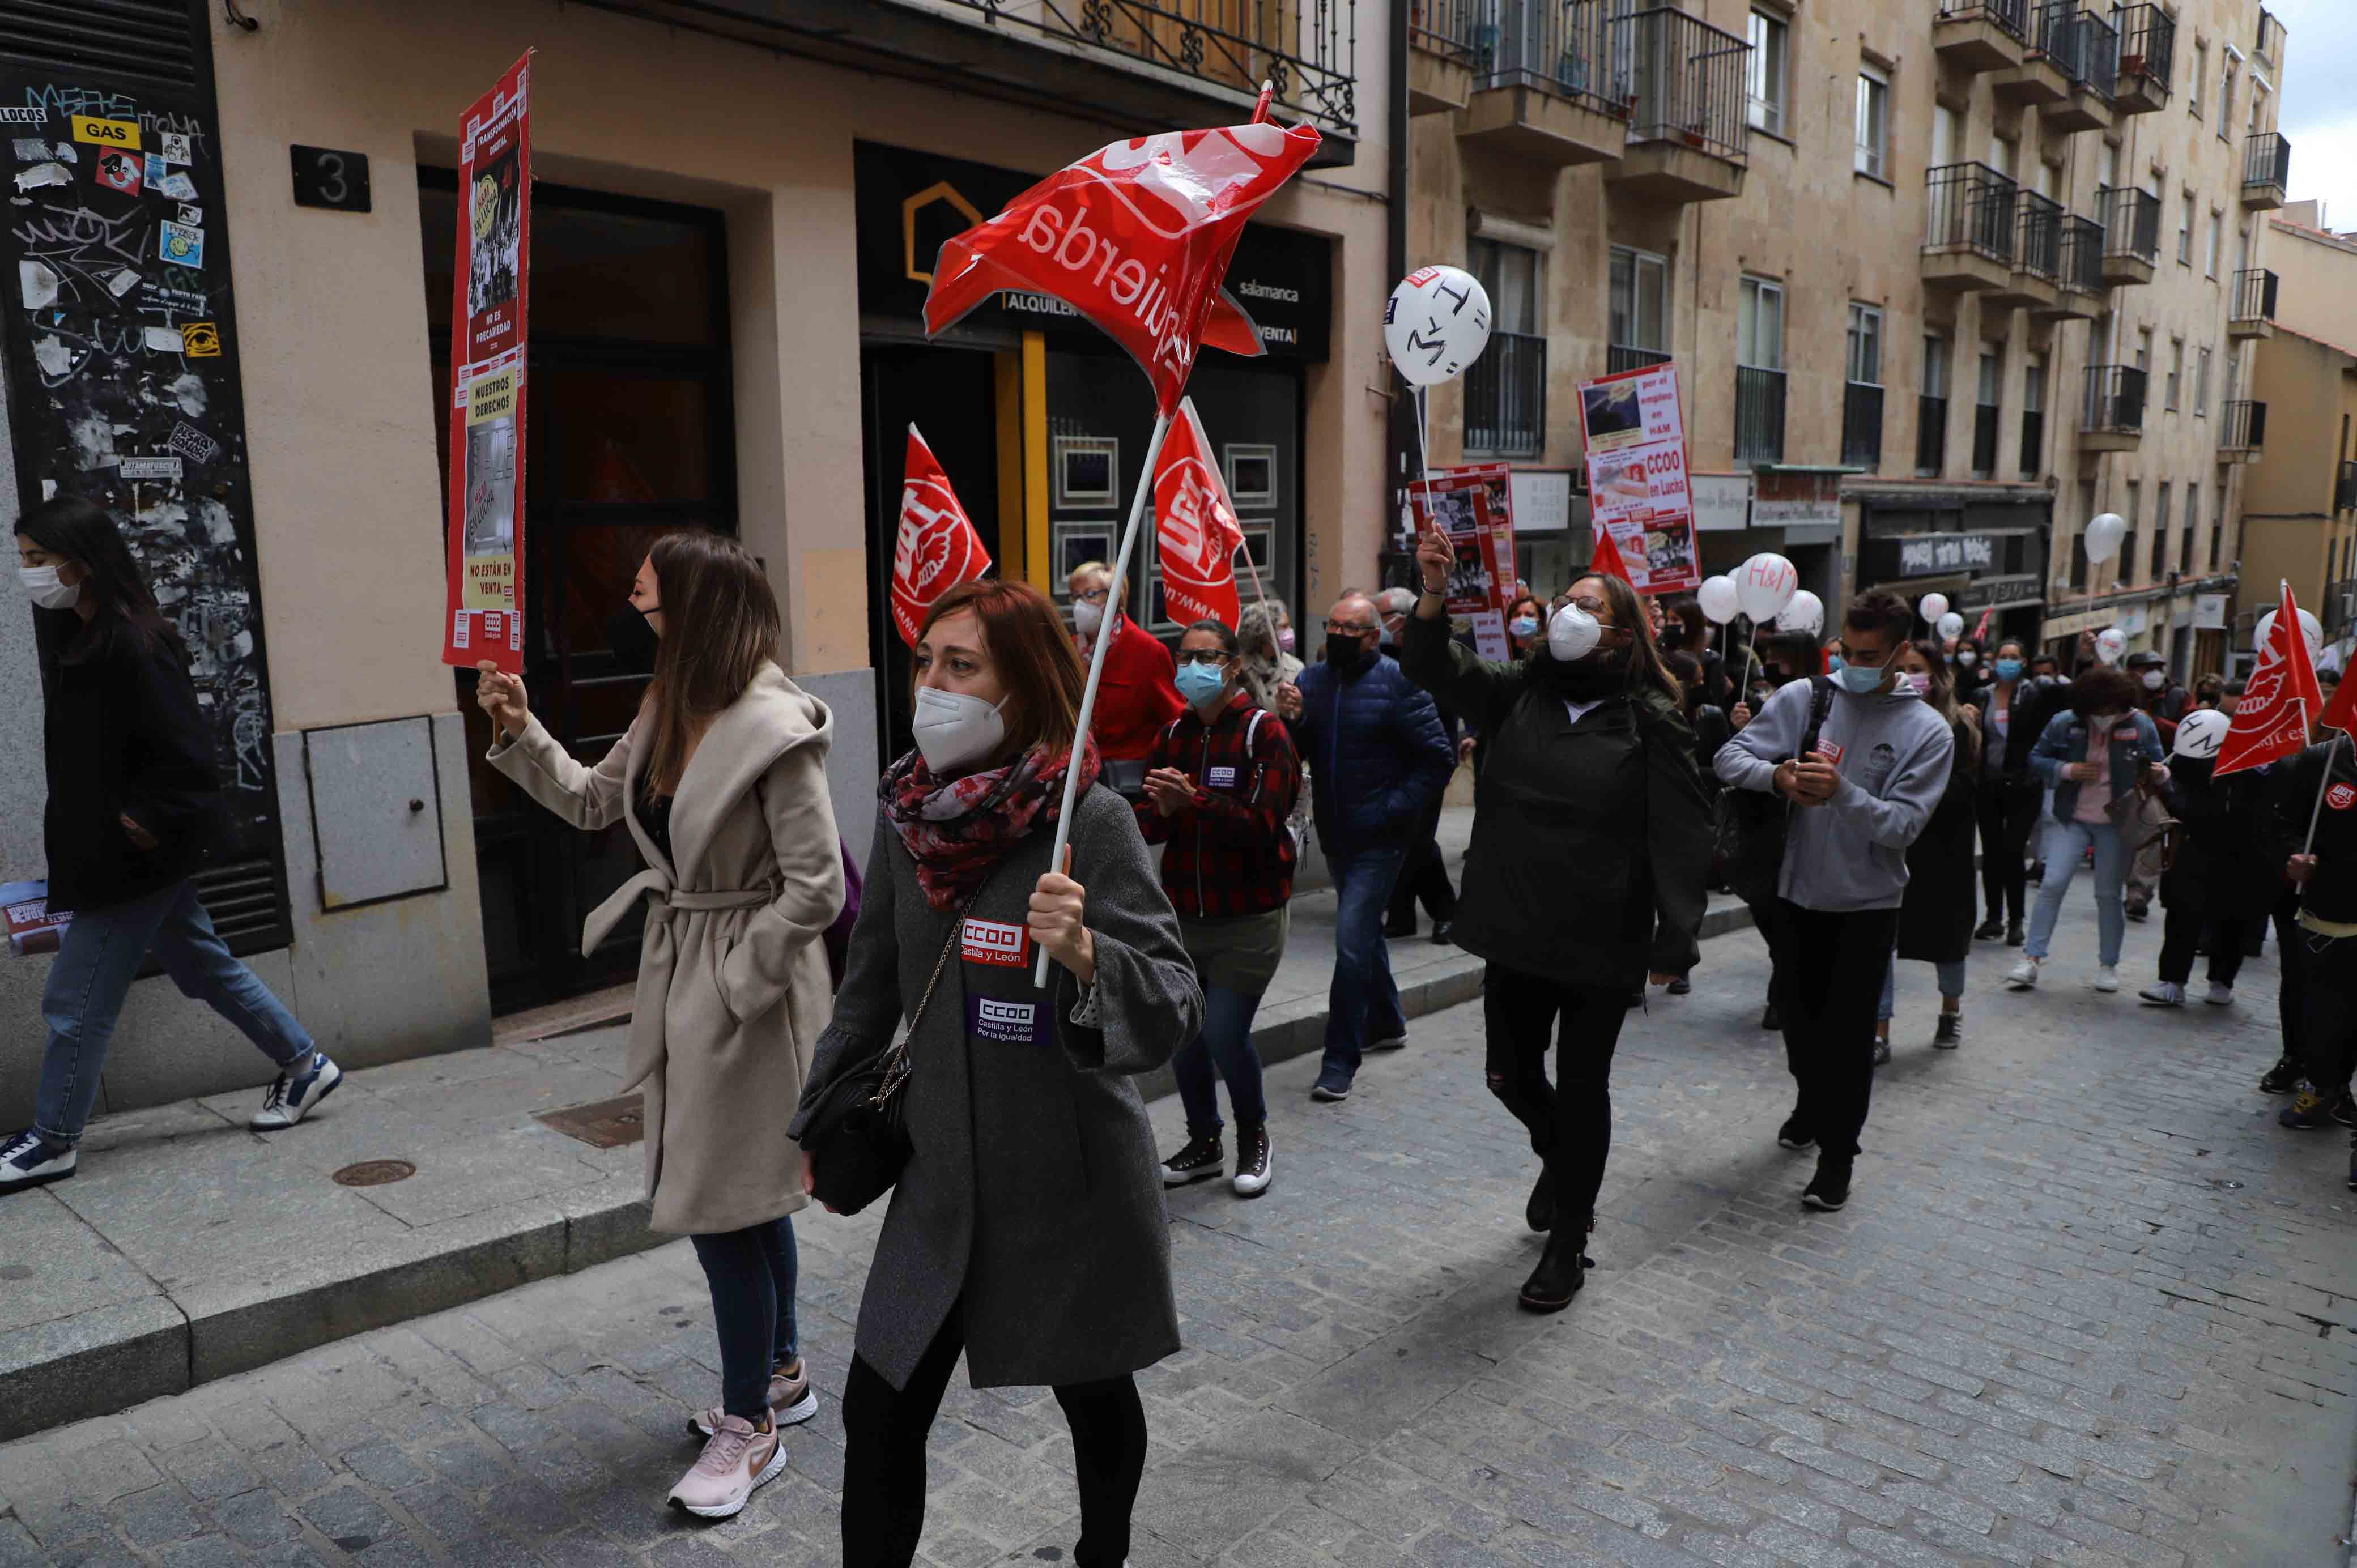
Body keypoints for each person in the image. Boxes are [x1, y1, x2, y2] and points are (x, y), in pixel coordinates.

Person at [790, 577, 1199, 1568]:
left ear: (1021, 687)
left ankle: (1104, 1551)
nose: (931, 683)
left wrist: (1093, 952)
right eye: (926, 661)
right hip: (941, 1177)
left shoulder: (1088, 820)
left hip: (1069, 1180)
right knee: (877, 1408)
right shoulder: (908, 813)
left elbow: (1175, 996)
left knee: (1096, 1394)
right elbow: (872, 978)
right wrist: (814, 1116)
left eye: (960, 665)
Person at [475, 532, 843, 1518]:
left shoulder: (776, 723)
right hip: (689, 971)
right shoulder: (666, 702)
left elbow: (816, 885)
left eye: (643, 600)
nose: (629, 611)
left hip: (746, 1001)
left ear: (692, 609)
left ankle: (749, 1426)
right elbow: (598, 801)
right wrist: (523, 728)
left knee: (720, 1205)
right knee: (747, 1199)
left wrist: (734, 984)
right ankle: (783, 1374)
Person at [1, 499, 337, 1195]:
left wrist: (142, 818)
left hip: (133, 858)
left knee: (75, 997)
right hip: (117, 850)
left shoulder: (131, 640)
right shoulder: (85, 632)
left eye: (38, 558)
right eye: (24, 558)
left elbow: (186, 751)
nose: (29, 573)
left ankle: (54, 1139)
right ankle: (304, 1064)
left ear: (81, 560)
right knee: (202, 966)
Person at [1405, 538, 1708, 1306]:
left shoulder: (1650, 718)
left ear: (1623, 632)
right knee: (1507, 1074)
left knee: (1583, 1088)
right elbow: (1438, 667)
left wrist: (1676, 939)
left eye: (1589, 605)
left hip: (1599, 941)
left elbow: (1680, 832)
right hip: (1513, 924)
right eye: (1565, 601)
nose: (1570, 613)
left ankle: (1569, 1241)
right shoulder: (1518, 692)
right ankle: (1559, 1153)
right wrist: (1434, 593)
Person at [1717, 593, 1954, 1212]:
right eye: (1843, 650)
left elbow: (1901, 826)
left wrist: (1843, 792)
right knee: (1798, 1024)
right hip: (1793, 896)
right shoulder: (1806, 697)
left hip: (1867, 907)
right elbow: (1728, 756)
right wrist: (1778, 777)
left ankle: (1836, 1156)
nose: (1851, 662)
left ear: (1901, 652)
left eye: (1867, 655)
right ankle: (1808, 1103)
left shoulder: (1927, 732)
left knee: (1847, 1038)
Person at [1138, 618, 1301, 1197]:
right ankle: (1203, 1140)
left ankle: (1253, 1134)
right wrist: (1154, 807)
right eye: (1184, 657)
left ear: (1231, 665)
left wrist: (1195, 799)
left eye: (1204, 657)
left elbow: (1261, 825)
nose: (1190, 669)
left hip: (1248, 916)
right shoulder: (1173, 734)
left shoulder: (1265, 734)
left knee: (1225, 1032)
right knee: (1184, 1033)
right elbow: (1152, 823)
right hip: (1183, 913)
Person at [1287, 591, 1455, 1102]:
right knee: (1363, 937)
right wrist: (1291, 722)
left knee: (1351, 942)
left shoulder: (1400, 682)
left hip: (1381, 840)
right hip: (1336, 835)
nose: (1336, 637)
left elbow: (1437, 758)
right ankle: (1387, 1020)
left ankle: (1340, 1059)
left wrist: (1394, 809)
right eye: (1331, 628)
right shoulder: (1311, 682)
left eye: (1348, 630)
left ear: (1371, 636)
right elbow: (1298, 752)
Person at [2006, 666, 2169, 994]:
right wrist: (2067, 770)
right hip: (2073, 818)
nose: (2104, 718)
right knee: (2052, 884)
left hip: (2116, 823)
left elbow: (2160, 765)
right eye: (2098, 712)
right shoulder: (2065, 722)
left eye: (2110, 711)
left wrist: (2158, 774)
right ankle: (2032, 959)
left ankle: (2109, 964)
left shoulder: (2141, 725)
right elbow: (2036, 758)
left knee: (2108, 895)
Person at [1878, 640, 1980, 1058]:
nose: (1907, 676)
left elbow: (1966, 787)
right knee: (1879, 940)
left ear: (1935, 674)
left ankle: (1950, 1012)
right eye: (1899, 667)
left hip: (1943, 850)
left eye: (1915, 668)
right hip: (1891, 846)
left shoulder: (1959, 726)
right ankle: (1879, 1032)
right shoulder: (1881, 719)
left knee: (1947, 940)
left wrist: (1913, 794)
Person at [2138, 710, 2277, 1009]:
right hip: (2195, 848)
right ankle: (2173, 980)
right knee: (2181, 914)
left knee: (2231, 920)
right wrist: (2167, 782)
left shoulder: (2252, 768)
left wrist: (2169, 790)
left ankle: (2222, 980)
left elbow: (2206, 813)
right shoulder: (2187, 759)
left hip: (2240, 853)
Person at [2278, 736, 2357, 1182]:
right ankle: (2324, 1086)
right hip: (2331, 917)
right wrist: (2293, 855)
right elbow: (2285, 822)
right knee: (2328, 1015)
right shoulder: (2319, 762)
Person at [1379, 591, 1462, 944]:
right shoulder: (1380, 658)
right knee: (1400, 838)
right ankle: (1401, 915)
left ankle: (1447, 913)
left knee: (1419, 841)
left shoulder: (1430, 657)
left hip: (1426, 763)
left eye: (1378, 614)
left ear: (1398, 619)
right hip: (1389, 764)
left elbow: (1443, 715)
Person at [1065, 560, 1182, 799]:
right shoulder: (1070, 649)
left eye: (1089, 595)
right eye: (1075, 596)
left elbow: (1173, 721)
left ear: (1115, 599)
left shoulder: (1147, 650)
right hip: (1078, 779)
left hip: (1128, 785)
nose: (1079, 605)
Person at [1972, 640, 2056, 945]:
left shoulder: (2036, 694)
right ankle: (1993, 918)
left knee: (2013, 851)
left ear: (2023, 663)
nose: (2007, 662)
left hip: (2024, 786)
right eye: (2002, 657)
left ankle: (2016, 920)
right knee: (1993, 853)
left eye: (2013, 658)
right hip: (1989, 786)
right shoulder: (1982, 696)